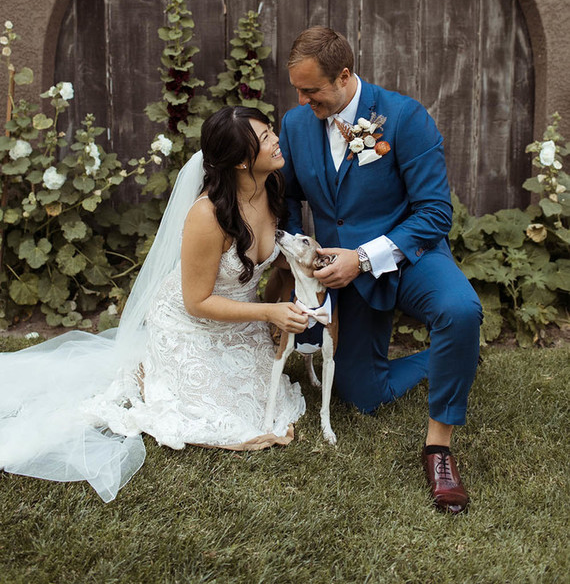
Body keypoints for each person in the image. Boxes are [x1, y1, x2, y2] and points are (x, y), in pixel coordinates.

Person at [0, 106, 307, 502]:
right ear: (242, 161)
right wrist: (269, 312)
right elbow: (197, 302)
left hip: (240, 320)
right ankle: (153, 369)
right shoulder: (208, 214)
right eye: (265, 137)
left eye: (270, 130)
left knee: (265, 403)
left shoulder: (271, 188)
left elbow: (271, 256)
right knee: (225, 420)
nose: (276, 139)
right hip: (191, 321)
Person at [279, 27, 483, 513]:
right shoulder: (295, 124)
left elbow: (435, 213)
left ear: (345, 75)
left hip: (408, 255)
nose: (304, 100)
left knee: (460, 311)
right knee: (361, 395)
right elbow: (285, 197)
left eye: (313, 91)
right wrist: (300, 256)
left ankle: (439, 450)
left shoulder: (405, 117)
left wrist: (365, 258)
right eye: (298, 91)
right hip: (338, 270)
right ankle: (449, 360)